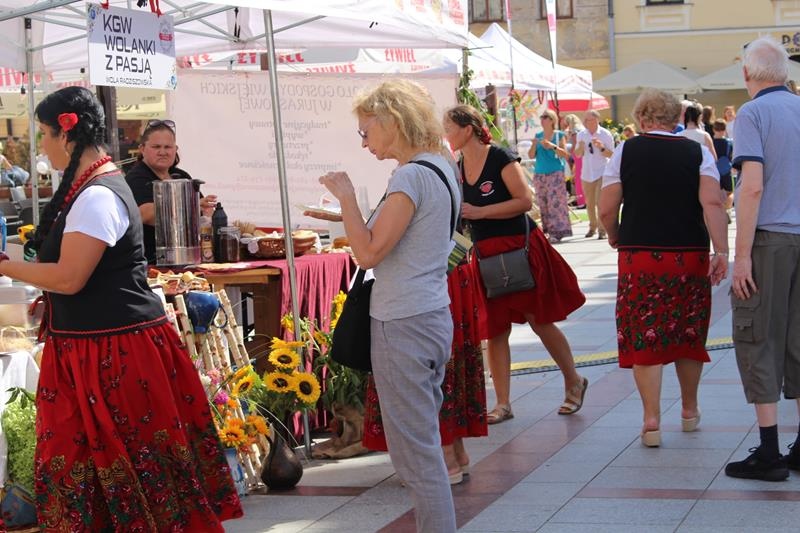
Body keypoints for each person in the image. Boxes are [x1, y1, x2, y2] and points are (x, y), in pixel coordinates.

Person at [0, 87, 242, 529]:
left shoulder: (98, 196)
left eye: (44, 135)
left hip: (113, 354)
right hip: (94, 348)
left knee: (134, 470)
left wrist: (4, 265)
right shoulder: (95, 186)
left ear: (66, 134)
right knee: (99, 473)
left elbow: (70, 277)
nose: (42, 146)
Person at [310, 79, 460, 532]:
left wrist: (347, 198)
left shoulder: (411, 175)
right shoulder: (441, 165)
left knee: (416, 456)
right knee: (422, 446)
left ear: (392, 121)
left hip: (404, 321)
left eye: (366, 130)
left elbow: (369, 252)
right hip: (430, 313)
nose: (364, 142)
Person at [599, 88, 729, 448]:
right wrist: (722, 251)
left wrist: (615, 235)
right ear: (676, 119)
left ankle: (651, 419)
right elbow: (712, 204)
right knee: (688, 332)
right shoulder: (697, 152)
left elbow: (606, 207)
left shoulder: (626, 151)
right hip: (688, 254)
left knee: (645, 332)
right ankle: (689, 410)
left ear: (641, 118)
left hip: (639, 254)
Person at [446, 104, 587, 425]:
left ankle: (573, 380)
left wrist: (480, 212)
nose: (446, 133)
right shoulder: (459, 165)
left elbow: (525, 201)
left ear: (467, 129)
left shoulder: (499, 157)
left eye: (450, 127)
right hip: (486, 254)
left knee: (539, 319)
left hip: (519, 248)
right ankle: (503, 403)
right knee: (495, 329)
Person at [725, 37, 800, 482]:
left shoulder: (752, 114)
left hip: (770, 239)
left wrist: (741, 257)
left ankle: (769, 451)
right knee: (798, 339)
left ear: (746, 73)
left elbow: (751, 185)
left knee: (759, 337)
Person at [125, 119, 217, 264]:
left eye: (168, 147)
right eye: (156, 147)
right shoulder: (136, 178)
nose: (162, 152)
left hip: (189, 258)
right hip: (151, 261)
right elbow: (144, 214)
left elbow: (200, 214)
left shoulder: (182, 176)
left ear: (175, 149)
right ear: (142, 149)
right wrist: (191, 205)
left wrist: (206, 212)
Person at [528, 109, 573, 243]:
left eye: (545, 117)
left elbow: (565, 155)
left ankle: (558, 232)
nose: (542, 119)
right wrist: (534, 144)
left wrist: (552, 146)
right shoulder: (538, 135)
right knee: (543, 204)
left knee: (556, 203)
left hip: (555, 173)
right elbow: (531, 155)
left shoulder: (559, 135)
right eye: (541, 117)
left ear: (552, 120)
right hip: (540, 173)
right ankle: (548, 231)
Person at [574, 110, 613, 239]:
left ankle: (602, 230)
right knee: (589, 203)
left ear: (596, 120)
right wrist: (580, 147)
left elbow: (612, 154)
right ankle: (592, 227)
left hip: (602, 171)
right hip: (587, 173)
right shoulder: (581, 134)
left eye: (588, 120)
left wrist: (601, 147)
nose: (585, 122)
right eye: (585, 120)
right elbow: (578, 155)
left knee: (599, 202)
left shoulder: (605, 134)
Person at [562, 113, 585, 207]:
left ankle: (581, 201)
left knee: (578, 178)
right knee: (581, 177)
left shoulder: (575, 131)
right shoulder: (582, 129)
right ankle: (584, 200)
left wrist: (570, 153)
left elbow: (575, 144)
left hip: (578, 155)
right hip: (583, 155)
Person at [711, 118, 734, 210]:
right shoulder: (729, 143)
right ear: (725, 129)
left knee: (716, 192)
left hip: (714, 171)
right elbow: (731, 156)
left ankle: (718, 210)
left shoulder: (710, 142)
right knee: (730, 192)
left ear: (713, 129)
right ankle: (727, 210)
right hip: (726, 171)